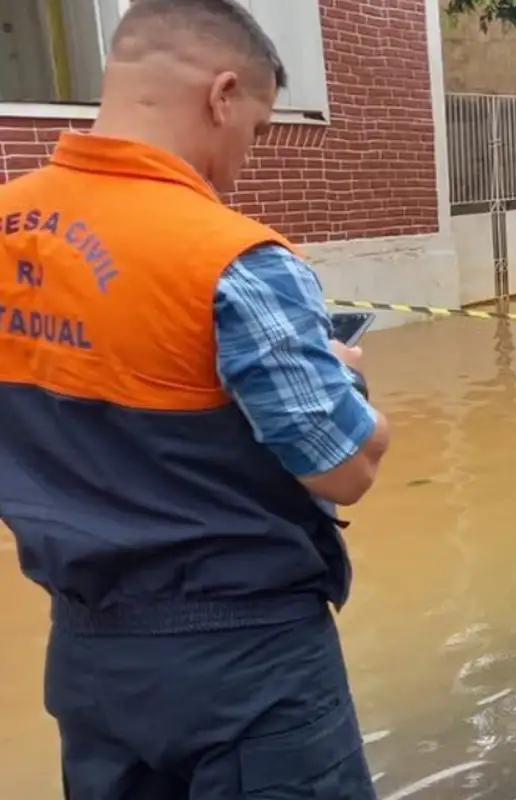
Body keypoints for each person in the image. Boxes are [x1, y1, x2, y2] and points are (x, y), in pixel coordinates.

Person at [0, 0, 390, 797]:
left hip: (87, 658)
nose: (246, 159)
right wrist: (343, 373)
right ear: (221, 95)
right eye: (255, 127)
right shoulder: (232, 257)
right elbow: (343, 468)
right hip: (245, 664)